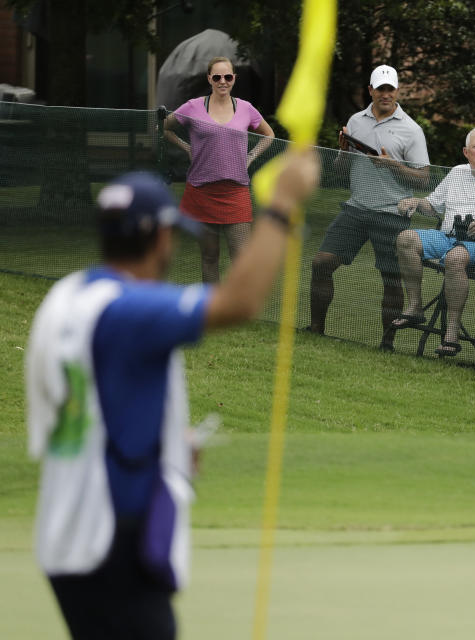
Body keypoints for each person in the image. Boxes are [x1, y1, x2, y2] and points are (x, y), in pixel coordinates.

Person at [24, 150, 318, 640]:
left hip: (69, 531)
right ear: (160, 237)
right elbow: (239, 303)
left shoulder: (67, 297)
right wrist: (283, 202)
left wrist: (163, 439)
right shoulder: (127, 310)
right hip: (111, 537)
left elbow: (97, 393)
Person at [308, 64, 430, 351]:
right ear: (371, 90)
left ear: (397, 91)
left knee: (390, 279)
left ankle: (387, 344)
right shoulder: (356, 120)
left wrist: (393, 166)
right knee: (321, 263)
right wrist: (343, 151)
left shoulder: (411, 130)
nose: (385, 94)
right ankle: (315, 330)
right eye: (380, 89)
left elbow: (424, 179)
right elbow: (340, 170)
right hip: (356, 209)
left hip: (392, 212)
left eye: (390, 89)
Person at [393, 127, 475, 356]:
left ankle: (452, 331)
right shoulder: (457, 172)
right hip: (447, 236)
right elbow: (432, 206)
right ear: (466, 152)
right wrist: (415, 202)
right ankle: (415, 306)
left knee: (455, 257)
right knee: (406, 238)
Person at [163, 56, 275, 283]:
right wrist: (186, 147)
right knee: (209, 256)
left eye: (227, 76)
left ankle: (236, 306)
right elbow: (164, 127)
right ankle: (211, 307)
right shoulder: (193, 107)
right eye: (217, 77)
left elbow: (269, 134)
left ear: (234, 78)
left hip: (236, 192)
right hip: (201, 191)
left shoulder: (246, 108)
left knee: (242, 257)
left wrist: (251, 156)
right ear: (209, 79)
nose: (222, 81)